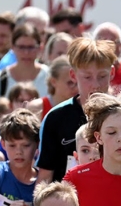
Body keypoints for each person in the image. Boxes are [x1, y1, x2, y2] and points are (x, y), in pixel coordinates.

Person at [37, 37, 116, 183]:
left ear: (112, 73)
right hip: (68, 195)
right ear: (73, 75)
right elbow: (45, 176)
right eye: (87, 77)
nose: (95, 85)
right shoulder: (56, 118)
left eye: (102, 76)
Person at [0, 25, 49, 105]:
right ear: (12, 47)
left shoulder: (50, 77)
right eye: (21, 47)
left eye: (31, 47)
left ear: (40, 47)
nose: (26, 52)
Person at [0, 7, 50, 74]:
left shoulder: (44, 69)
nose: (40, 38)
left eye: (43, 33)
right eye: (34, 32)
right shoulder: (7, 67)